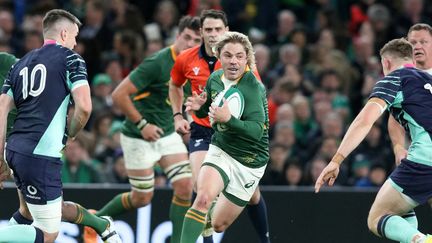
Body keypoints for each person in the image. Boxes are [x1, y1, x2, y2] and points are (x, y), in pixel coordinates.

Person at [0, 9, 121, 243]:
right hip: (40, 154)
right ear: (64, 33)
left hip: (14, 149)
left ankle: (102, 226)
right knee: (48, 233)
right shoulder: (70, 58)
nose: (76, 43)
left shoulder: (20, 63)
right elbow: (85, 107)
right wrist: (71, 133)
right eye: (75, 36)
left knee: (28, 212)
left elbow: (2, 109)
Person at [84, 15, 201, 243]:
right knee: (142, 198)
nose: (190, 43)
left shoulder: (196, 66)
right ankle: (95, 220)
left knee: (186, 186)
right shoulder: (157, 63)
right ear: (177, 36)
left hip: (167, 134)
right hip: (138, 136)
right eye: (186, 37)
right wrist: (143, 125)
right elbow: (118, 94)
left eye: (196, 40)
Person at [315, 38, 432, 243]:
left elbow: (364, 121)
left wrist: (337, 159)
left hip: (426, 159)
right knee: (398, 209)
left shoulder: (394, 78)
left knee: (377, 218)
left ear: (385, 63)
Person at [169, 9, 271, 243]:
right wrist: (200, 107)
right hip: (220, 146)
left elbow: (257, 132)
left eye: (238, 56)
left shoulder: (253, 86)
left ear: (247, 59)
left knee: (218, 223)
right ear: (220, 56)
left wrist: (229, 120)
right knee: (202, 196)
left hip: (249, 158)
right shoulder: (214, 78)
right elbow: (205, 107)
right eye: (227, 56)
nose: (233, 61)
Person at [386, 23, 432, 232]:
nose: (418, 46)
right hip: (419, 156)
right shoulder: (401, 77)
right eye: (413, 42)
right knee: (397, 207)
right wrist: (398, 147)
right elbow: (395, 119)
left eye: (424, 42)